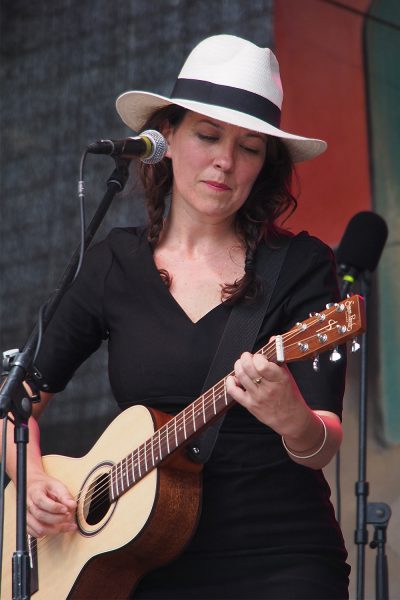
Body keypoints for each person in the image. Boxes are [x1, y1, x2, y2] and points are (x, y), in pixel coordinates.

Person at [4, 35, 350, 598]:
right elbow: (14, 403)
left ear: (265, 164)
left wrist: (290, 416)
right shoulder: (113, 262)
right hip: (138, 563)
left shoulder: (303, 265)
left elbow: (324, 441)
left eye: (250, 148)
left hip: (278, 557)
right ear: (165, 138)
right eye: (208, 136)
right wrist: (33, 478)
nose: (225, 161)